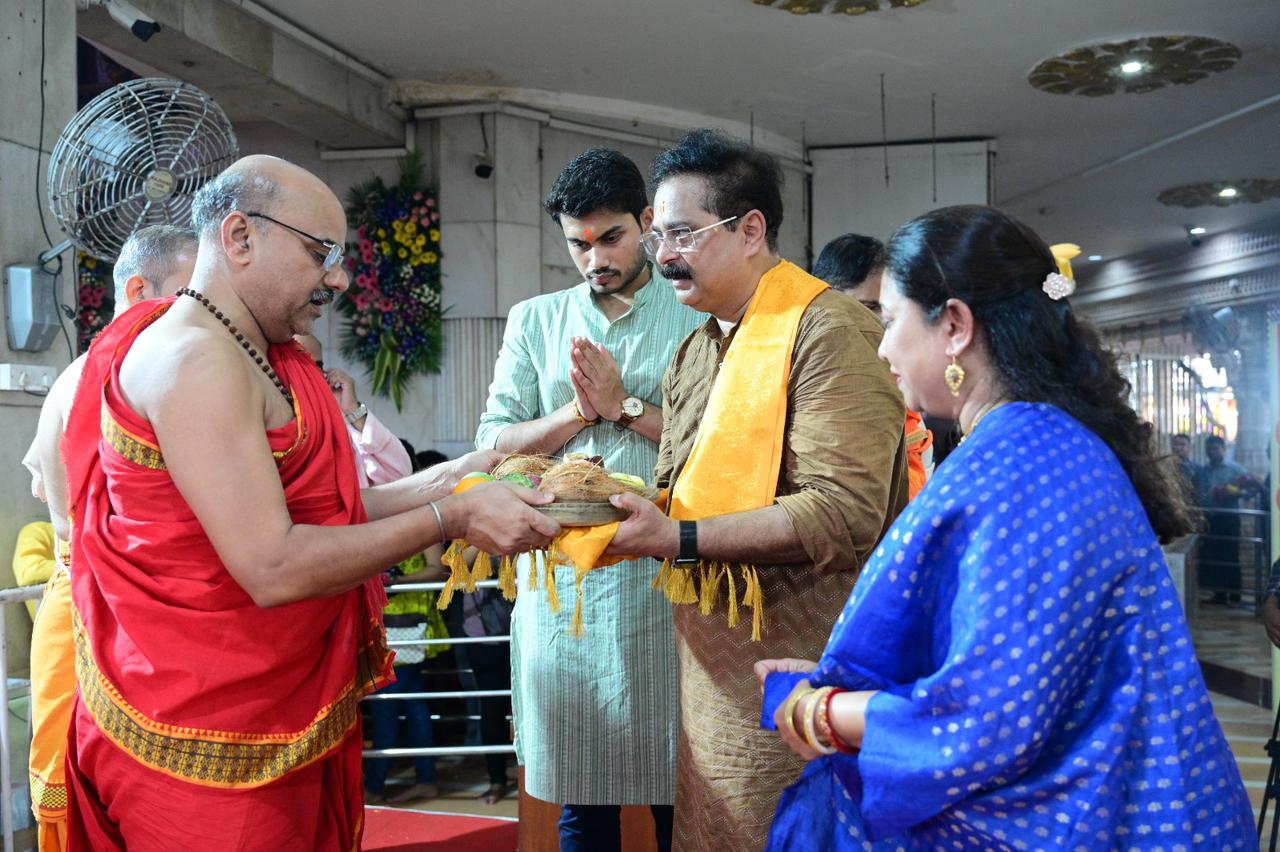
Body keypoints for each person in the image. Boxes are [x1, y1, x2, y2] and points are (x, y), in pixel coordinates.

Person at [61, 155, 559, 851]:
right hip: (206, 726)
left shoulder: (254, 351)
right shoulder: (195, 360)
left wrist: (460, 476)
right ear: (239, 237)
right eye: (319, 253)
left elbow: (336, 507)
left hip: (271, 713)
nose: (338, 277)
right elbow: (273, 564)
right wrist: (454, 518)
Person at [758, 204, 1253, 849]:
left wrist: (816, 710)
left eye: (889, 320)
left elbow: (983, 719)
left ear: (955, 325)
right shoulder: (1044, 444)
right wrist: (852, 681)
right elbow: (1021, 654)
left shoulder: (1019, 465)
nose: (881, 348)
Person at [605, 129, 909, 851]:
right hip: (713, 673)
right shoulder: (700, 342)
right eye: (659, 237)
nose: (665, 255)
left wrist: (675, 538)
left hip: (801, 664)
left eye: (683, 233)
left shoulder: (826, 331)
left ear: (750, 231)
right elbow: (682, 488)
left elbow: (842, 513)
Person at [475, 147, 702, 851]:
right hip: (564, 592)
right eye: (578, 243)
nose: (594, 258)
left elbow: (721, 442)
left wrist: (625, 406)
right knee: (584, 803)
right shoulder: (536, 320)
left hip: (669, 584)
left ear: (646, 224)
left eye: (611, 238)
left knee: (680, 795)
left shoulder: (698, 312)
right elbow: (493, 442)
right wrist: (578, 414)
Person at [19, 223, 197, 852]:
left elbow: (43, 487)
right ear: (137, 288)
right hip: (107, 613)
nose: (201, 312)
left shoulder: (77, 376)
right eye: (188, 294)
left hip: (106, 608)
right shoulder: (124, 377)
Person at [814, 233, 934, 498]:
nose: (875, 325)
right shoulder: (797, 393)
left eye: (881, 311)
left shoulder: (918, 400)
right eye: (861, 309)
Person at [295, 332, 412, 487]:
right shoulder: (272, 419)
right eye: (302, 365)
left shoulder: (339, 422)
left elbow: (400, 473)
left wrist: (353, 410)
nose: (314, 375)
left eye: (318, 366)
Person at [1197, 434, 1258, 605]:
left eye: (1215, 449)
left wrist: (1234, 493)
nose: (1212, 452)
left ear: (1224, 449)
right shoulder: (1204, 470)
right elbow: (1201, 493)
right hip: (1211, 518)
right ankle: (1220, 594)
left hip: (1229, 518)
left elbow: (1251, 491)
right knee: (1214, 556)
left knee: (1230, 555)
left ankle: (1235, 595)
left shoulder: (1236, 469)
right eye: (1209, 449)